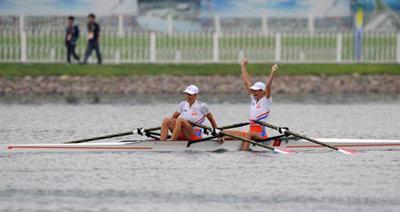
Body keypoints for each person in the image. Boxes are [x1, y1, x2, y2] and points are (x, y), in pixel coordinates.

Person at [224, 58, 279, 150]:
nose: (254, 92)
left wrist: (272, 72)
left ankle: (244, 153)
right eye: (253, 91)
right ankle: (222, 142)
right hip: (251, 133)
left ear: (263, 91)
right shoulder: (253, 99)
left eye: (256, 91)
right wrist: (242, 66)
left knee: (248, 134)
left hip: (261, 135)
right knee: (225, 132)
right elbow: (247, 82)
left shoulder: (266, 100)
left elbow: (268, 85)